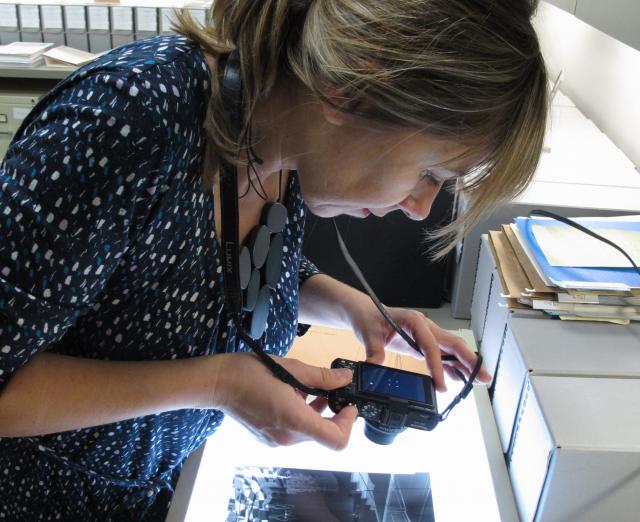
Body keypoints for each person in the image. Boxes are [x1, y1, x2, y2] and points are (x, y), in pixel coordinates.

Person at [0, 0, 547, 519]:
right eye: (430, 173)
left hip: (157, 488)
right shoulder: (124, 124)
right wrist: (216, 385)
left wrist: (355, 308)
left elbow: (210, 273)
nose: (420, 207)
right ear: (354, 88)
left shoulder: (281, 140)